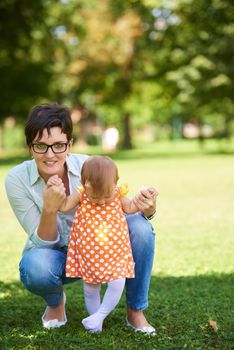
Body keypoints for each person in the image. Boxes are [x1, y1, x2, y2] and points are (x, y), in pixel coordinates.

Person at [5, 103, 158, 334]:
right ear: (30, 147)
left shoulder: (91, 167)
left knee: (141, 228)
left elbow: (121, 205)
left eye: (58, 145)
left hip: (101, 250)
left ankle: (135, 311)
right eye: (40, 146)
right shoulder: (16, 179)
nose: (50, 155)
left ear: (70, 144)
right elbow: (43, 242)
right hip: (56, 255)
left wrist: (148, 209)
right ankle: (56, 304)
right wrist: (49, 208)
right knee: (35, 267)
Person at [47, 155, 157, 333]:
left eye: (105, 196)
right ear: (85, 183)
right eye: (95, 197)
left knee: (117, 282)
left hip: (116, 252)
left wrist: (141, 201)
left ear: (115, 183)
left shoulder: (117, 193)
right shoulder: (81, 193)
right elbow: (65, 206)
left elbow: (129, 208)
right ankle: (95, 326)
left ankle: (99, 315)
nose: (101, 202)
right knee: (91, 289)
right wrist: (55, 189)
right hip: (89, 254)